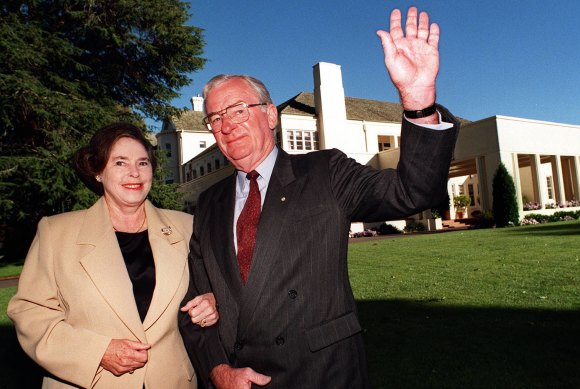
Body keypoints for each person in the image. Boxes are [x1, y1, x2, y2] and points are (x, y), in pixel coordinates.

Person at [179, 6, 459, 388]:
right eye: (215, 119)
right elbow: (194, 302)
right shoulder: (210, 202)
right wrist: (217, 370)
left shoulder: (324, 172)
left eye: (239, 110)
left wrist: (418, 99)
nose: (227, 125)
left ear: (271, 116)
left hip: (322, 374)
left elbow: (413, 191)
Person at [8, 123, 219, 388]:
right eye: (120, 162)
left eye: (143, 163)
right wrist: (98, 353)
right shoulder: (56, 232)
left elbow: (213, 286)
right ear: (97, 172)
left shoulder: (187, 226)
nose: (135, 172)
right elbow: (31, 312)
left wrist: (212, 301)